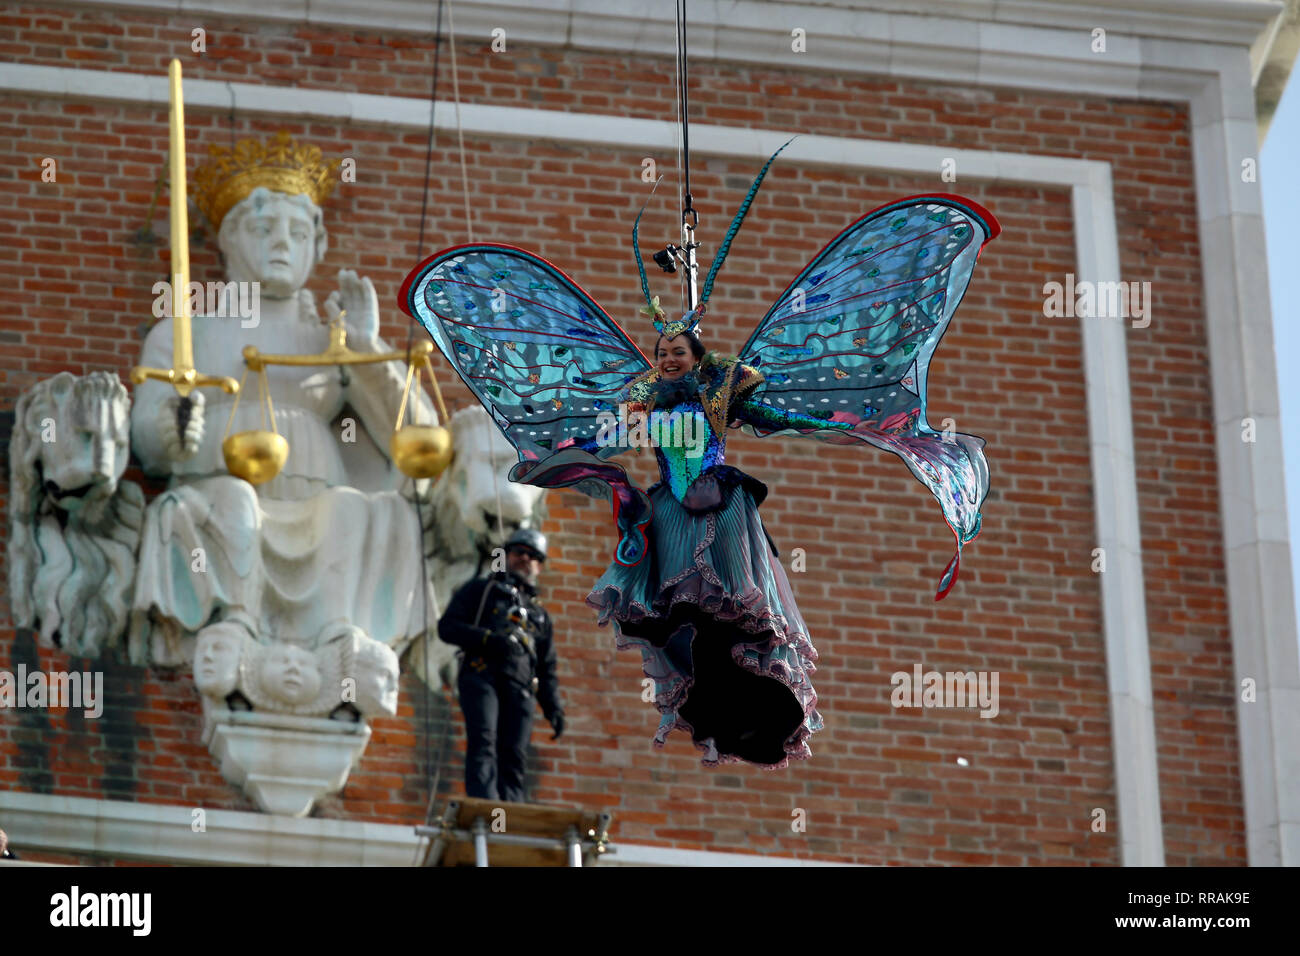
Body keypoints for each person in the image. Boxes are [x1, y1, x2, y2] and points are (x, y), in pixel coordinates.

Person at [569, 322, 844, 768]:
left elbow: (777, 419)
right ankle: (719, 703)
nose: (668, 359)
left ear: (696, 357)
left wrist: (835, 425)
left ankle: (752, 700)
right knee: (687, 616)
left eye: (678, 351)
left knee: (725, 609)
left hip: (718, 504)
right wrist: (561, 453)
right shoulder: (650, 409)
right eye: (661, 352)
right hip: (671, 516)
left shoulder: (717, 399)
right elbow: (604, 441)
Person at [437, 527, 565, 802]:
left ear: (539, 567)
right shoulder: (481, 591)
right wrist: (488, 639)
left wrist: (553, 707)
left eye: (533, 556)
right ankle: (485, 805)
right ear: (505, 555)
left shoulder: (539, 615)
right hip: (482, 676)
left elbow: (546, 667)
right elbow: (447, 628)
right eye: (519, 551)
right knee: (484, 741)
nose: (525, 558)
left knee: (515, 754)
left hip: (520, 688)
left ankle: (511, 812)